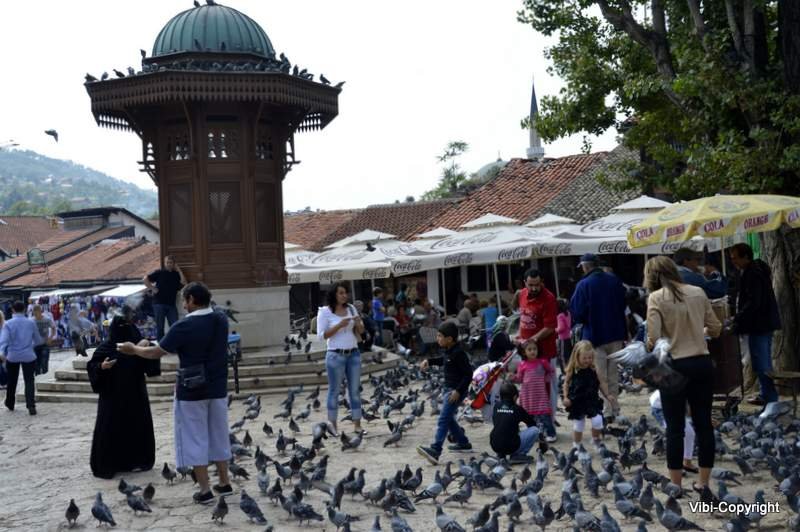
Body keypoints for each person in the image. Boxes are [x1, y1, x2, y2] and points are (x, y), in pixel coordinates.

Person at [119, 282, 232, 505]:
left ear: (191, 300)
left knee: (195, 438)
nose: (183, 304)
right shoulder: (221, 319)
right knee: (219, 435)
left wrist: (134, 349)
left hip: (192, 390)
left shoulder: (184, 325)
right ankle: (225, 482)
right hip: (218, 387)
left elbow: (156, 352)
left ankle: (205, 490)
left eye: (184, 300)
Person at [644, 255, 721, 500]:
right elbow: (716, 329)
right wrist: (698, 331)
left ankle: (676, 485)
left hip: (674, 366)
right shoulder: (698, 291)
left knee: (675, 427)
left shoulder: (656, 297)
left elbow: (653, 338)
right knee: (704, 424)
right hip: (701, 362)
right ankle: (703, 483)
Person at [87, 308, 160, 479]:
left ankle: (138, 461)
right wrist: (102, 367)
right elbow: (93, 365)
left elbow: (152, 361)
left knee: (136, 428)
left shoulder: (138, 346)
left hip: (135, 395)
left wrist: (146, 346)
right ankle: (111, 463)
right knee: (111, 429)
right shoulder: (106, 347)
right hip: (112, 397)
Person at [569, 253, 627, 420]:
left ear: (585, 266)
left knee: (600, 376)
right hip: (616, 333)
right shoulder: (614, 280)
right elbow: (624, 304)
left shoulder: (583, 284)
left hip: (594, 336)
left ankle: (606, 411)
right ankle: (614, 408)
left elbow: (577, 312)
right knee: (613, 374)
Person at [729, 243, 781, 406]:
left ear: (745, 257)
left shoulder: (753, 274)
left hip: (759, 325)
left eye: (735, 258)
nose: (733, 261)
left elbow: (753, 302)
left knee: (762, 362)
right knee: (762, 360)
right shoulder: (752, 271)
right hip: (762, 324)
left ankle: (769, 397)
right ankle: (766, 394)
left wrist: (738, 318)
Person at [417, 322, 473, 465]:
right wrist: (429, 361)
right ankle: (463, 442)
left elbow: (468, 374)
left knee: (443, 419)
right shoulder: (448, 350)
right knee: (449, 419)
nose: (437, 338)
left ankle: (435, 450)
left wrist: (458, 391)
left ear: (449, 339)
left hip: (455, 392)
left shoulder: (459, 353)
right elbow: (444, 361)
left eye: (440, 336)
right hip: (449, 389)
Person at [317, 282, 365, 436]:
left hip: (353, 353)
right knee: (334, 390)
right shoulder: (325, 312)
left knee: (355, 390)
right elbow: (321, 336)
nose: (345, 296)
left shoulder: (351, 308)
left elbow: (361, 330)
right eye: (341, 293)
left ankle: (357, 425)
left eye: (346, 293)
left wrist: (358, 323)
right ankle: (333, 426)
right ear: (334, 295)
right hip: (335, 355)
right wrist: (339, 325)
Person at [513, 269, 559, 429]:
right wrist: (519, 336)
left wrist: (532, 339)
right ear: (525, 283)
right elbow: (523, 319)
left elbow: (550, 327)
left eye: (537, 285)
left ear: (542, 282)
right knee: (529, 389)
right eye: (531, 285)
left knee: (547, 390)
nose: (534, 288)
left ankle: (549, 425)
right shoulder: (521, 294)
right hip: (526, 353)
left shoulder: (549, 298)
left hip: (545, 352)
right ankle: (534, 424)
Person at [562, 340, 615, 447]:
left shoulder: (594, 368)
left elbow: (601, 383)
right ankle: (577, 445)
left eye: (590, 357)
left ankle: (595, 440)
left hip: (592, 399)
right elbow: (566, 383)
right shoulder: (573, 369)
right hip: (577, 400)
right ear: (577, 357)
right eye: (584, 358)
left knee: (598, 421)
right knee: (579, 425)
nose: (587, 360)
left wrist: (607, 395)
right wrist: (565, 397)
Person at [0, 301, 43, 415]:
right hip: (28, 355)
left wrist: (1, 353)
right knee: (29, 380)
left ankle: (10, 402)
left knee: (12, 380)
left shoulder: (8, 324)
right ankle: (31, 405)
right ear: (24, 310)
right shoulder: (31, 323)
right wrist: (30, 345)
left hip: (12, 355)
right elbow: (38, 340)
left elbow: (4, 341)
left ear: (13, 310)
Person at [512, 340, 556, 442]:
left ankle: (551, 434)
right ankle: (534, 434)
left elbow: (551, 371)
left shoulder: (542, 362)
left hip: (540, 395)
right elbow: (520, 379)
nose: (532, 351)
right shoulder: (522, 364)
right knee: (530, 417)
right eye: (529, 349)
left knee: (545, 415)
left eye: (534, 349)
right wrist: (513, 378)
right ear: (524, 352)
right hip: (528, 396)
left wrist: (547, 379)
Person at [490, 382, 541, 462]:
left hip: (495, 445)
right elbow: (532, 423)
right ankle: (518, 455)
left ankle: (501, 455)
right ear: (515, 397)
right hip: (511, 446)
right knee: (535, 430)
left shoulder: (496, 406)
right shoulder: (517, 408)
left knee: (502, 429)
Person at [649, 390, 698, 474]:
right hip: (661, 407)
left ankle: (687, 462)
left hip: (675, 404)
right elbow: (689, 410)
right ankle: (675, 467)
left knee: (689, 433)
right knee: (675, 435)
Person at [144, 255, 187, 341]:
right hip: (159, 304)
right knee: (160, 327)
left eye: (171, 262)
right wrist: (152, 288)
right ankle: (161, 345)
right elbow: (145, 279)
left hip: (171, 305)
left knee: (175, 326)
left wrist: (179, 270)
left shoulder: (176, 274)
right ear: (164, 263)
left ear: (174, 264)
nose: (169, 264)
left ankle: (174, 344)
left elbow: (184, 282)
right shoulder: (160, 272)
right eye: (167, 262)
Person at [32, 305, 56, 375]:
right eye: (34, 313)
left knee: (44, 362)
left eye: (36, 313)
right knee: (36, 365)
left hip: (45, 344)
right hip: (35, 345)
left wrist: (51, 338)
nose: (35, 315)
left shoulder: (47, 319)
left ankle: (45, 377)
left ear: (40, 311)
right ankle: (38, 377)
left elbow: (53, 328)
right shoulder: (31, 320)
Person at [555, 298, 572, 372]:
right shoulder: (568, 313)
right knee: (569, 355)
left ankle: (565, 372)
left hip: (562, 339)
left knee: (562, 356)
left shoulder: (560, 316)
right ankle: (570, 369)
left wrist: (555, 330)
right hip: (568, 337)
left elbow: (561, 328)